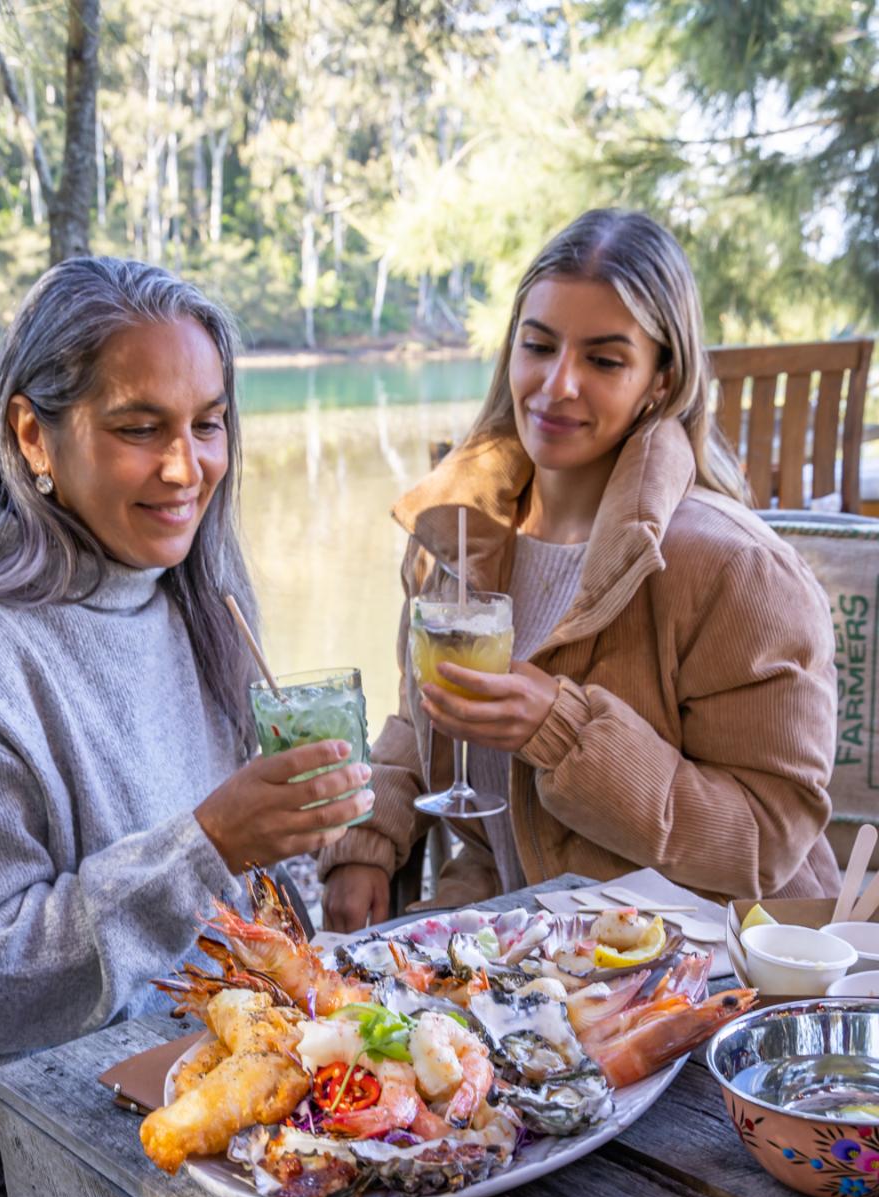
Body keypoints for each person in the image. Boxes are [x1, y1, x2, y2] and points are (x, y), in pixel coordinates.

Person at [0, 258, 373, 1197]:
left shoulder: (195, 595)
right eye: (140, 427)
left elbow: (254, 900)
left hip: (147, 1068)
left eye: (209, 423)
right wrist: (208, 844)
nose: (186, 467)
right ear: (32, 435)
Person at [321, 208, 840, 932]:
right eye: (538, 346)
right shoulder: (458, 534)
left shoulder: (738, 571)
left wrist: (563, 732)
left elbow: (766, 841)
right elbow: (423, 713)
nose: (557, 383)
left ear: (661, 380)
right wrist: (367, 843)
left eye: (604, 360)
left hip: (710, 963)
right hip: (528, 940)